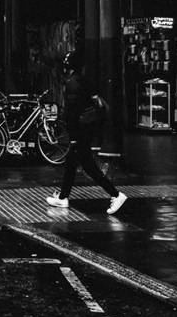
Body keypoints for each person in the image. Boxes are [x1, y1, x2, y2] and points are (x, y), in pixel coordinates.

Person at [46, 50, 127, 216]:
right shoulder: (84, 81)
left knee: (89, 167)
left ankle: (116, 194)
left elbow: (72, 113)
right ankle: (63, 197)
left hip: (80, 132)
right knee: (71, 164)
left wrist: (73, 136)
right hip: (86, 129)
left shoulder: (72, 83)